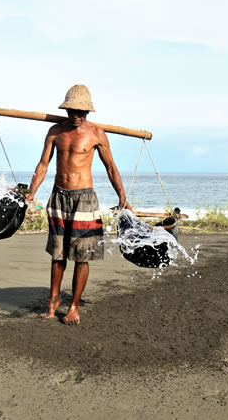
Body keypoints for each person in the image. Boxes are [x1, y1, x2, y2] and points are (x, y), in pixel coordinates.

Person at [25, 84, 132, 325]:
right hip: (59, 197)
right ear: (67, 110)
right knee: (58, 253)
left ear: (88, 113)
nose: (76, 116)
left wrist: (122, 198)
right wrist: (32, 191)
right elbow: (43, 164)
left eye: (81, 112)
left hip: (84, 199)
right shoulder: (55, 132)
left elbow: (111, 167)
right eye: (72, 111)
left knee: (82, 256)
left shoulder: (96, 133)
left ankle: (74, 305)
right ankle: (53, 302)